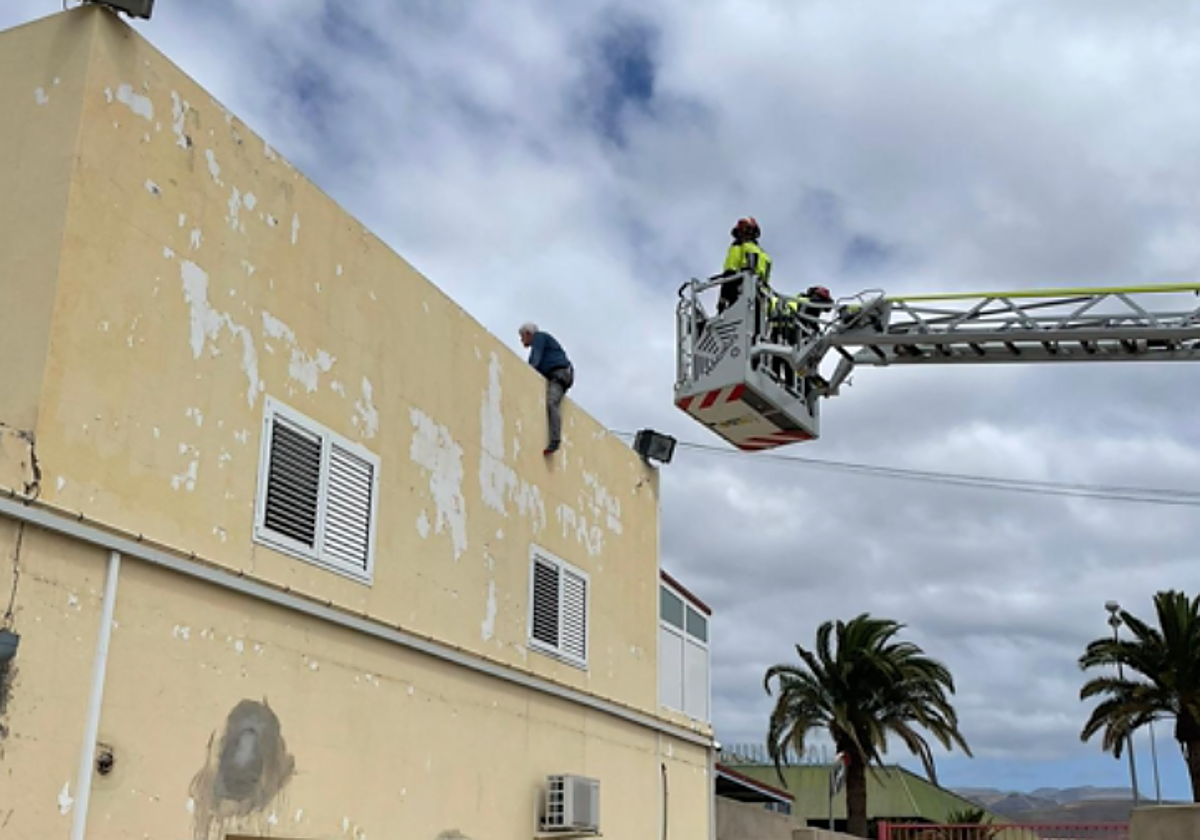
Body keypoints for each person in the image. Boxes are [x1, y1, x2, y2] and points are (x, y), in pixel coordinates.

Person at [519, 323, 574, 455]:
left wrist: (525, 373)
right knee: (552, 401)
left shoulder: (539, 337)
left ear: (528, 334)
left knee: (551, 402)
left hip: (560, 374)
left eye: (522, 337)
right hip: (561, 374)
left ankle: (555, 440)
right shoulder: (544, 342)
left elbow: (534, 360)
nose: (522, 341)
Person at [718, 217, 773, 313]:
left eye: (745, 229)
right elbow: (730, 272)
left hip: (748, 295)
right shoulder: (763, 255)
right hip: (754, 296)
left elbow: (730, 271)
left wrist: (723, 299)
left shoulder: (741, 247)